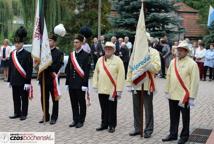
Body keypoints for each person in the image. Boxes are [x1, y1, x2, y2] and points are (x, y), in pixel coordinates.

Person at [162, 40, 199, 144]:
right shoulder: (173, 62)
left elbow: (195, 81)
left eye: (181, 50)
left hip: (184, 96)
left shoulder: (192, 64)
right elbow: (168, 76)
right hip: (173, 94)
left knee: (185, 118)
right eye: (178, 50)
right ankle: (173, 134)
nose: (179, 52)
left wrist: (192, 97)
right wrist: (167, 90)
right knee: (173, 116)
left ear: (186, 51)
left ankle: (184, 136)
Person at [127, 34, 161, 138]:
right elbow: (130, 67)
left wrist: (147, 64)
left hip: (147, 84)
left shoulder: (153, 52)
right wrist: (129, 83)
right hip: (136, 84)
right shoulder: (135, 53)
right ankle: (137, 128)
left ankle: (148, 130)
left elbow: (157, 67)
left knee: (148, 108)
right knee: (136, 108)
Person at [93, 42, 125, 133]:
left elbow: (121, 75)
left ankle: (112, 125)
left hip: (112, 90)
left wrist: (119, 89)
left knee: (112, 108)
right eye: (106, 48)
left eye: (110, 48)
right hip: (101, 88)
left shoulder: (118, 60)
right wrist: (95, 85)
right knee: (103, 108)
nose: (108, 50)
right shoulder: (100, 60)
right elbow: (96, 73)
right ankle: (104, 124)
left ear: (113, 50)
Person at [7, 26, 33, 121]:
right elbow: (11, 67)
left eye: (19, 43)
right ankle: (17, 112)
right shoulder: (12, 54)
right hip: (14, 80)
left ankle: (24, 113)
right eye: (16, 43)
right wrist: (9, 80)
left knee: (24, 98)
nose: (17, 45)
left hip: (23, 81)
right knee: (15, 98)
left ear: (22, 43)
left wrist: (28, 82)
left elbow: (29, 69)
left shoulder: (27, 54)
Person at [65, 34, 90, 128]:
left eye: (77, 42)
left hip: (80, 84)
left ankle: (81, 120)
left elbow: (87, 72)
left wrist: (85, 84)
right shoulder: (72, 55)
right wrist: (67, 82)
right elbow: (68, 69)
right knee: (73, 102)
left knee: (81, 102)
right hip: (72, 83)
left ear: (81, 43)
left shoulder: (86, 55)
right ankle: (75, 119)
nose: (75, 44)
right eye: (74, 42)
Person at [38, 33, 64, 125]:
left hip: (53, 79)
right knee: (44, 98)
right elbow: (38, 65)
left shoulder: (59, 53)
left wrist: (46, 65)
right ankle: (46, 115)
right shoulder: (43, 52)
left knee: (55, 99)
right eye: (48, 40)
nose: (48, 42)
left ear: (55, 42)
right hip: (43, 79)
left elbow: (56, 67)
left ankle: (54, 117)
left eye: (50, 40)